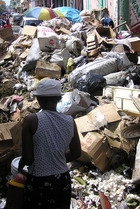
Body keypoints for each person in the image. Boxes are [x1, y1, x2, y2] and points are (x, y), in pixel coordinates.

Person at [18, 78, 81, 209]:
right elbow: (76, 153)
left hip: (39, 180)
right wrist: (57, 158)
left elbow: (28, 159)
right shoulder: (70, 121)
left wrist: (21, 165)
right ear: (59, 99)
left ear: (39, 99)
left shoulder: (31, 120)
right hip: (62, 180)